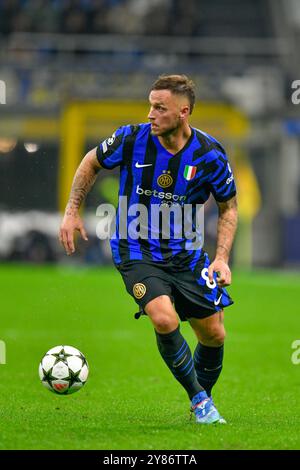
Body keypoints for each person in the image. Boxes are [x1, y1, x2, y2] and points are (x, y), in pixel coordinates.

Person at [59, 74, 238, 424]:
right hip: (136, 249)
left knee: (214, 334)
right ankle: (201, 401)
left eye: (160, 107)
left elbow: (228, 206)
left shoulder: (210, 154)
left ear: (184, 112)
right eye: (150, 105)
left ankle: (202, 398)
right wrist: (71, 211)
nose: (150, 113)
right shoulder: (130, 139)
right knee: (163, 317)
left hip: (187, 255)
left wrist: (221, 258)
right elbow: (90, 162)